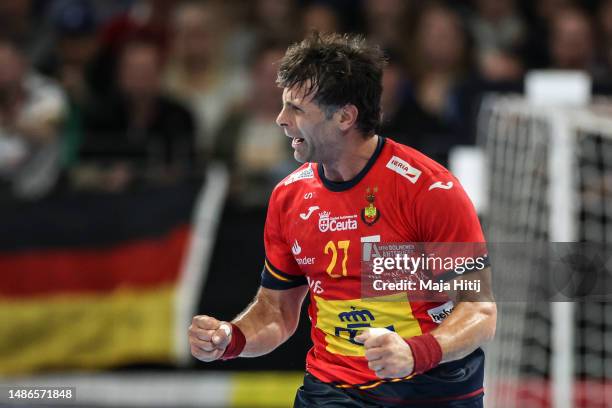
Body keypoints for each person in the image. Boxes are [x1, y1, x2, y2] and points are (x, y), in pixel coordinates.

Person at [189, 32, 496, 407]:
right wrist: (229, 337)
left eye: (297, 109)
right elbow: (277, 312)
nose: (281, 120)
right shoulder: (289, 197)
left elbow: (479, 311)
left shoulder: (429, 190)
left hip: (431, 392)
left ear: (345, 117)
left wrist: (417, 352)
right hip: (332, 391)